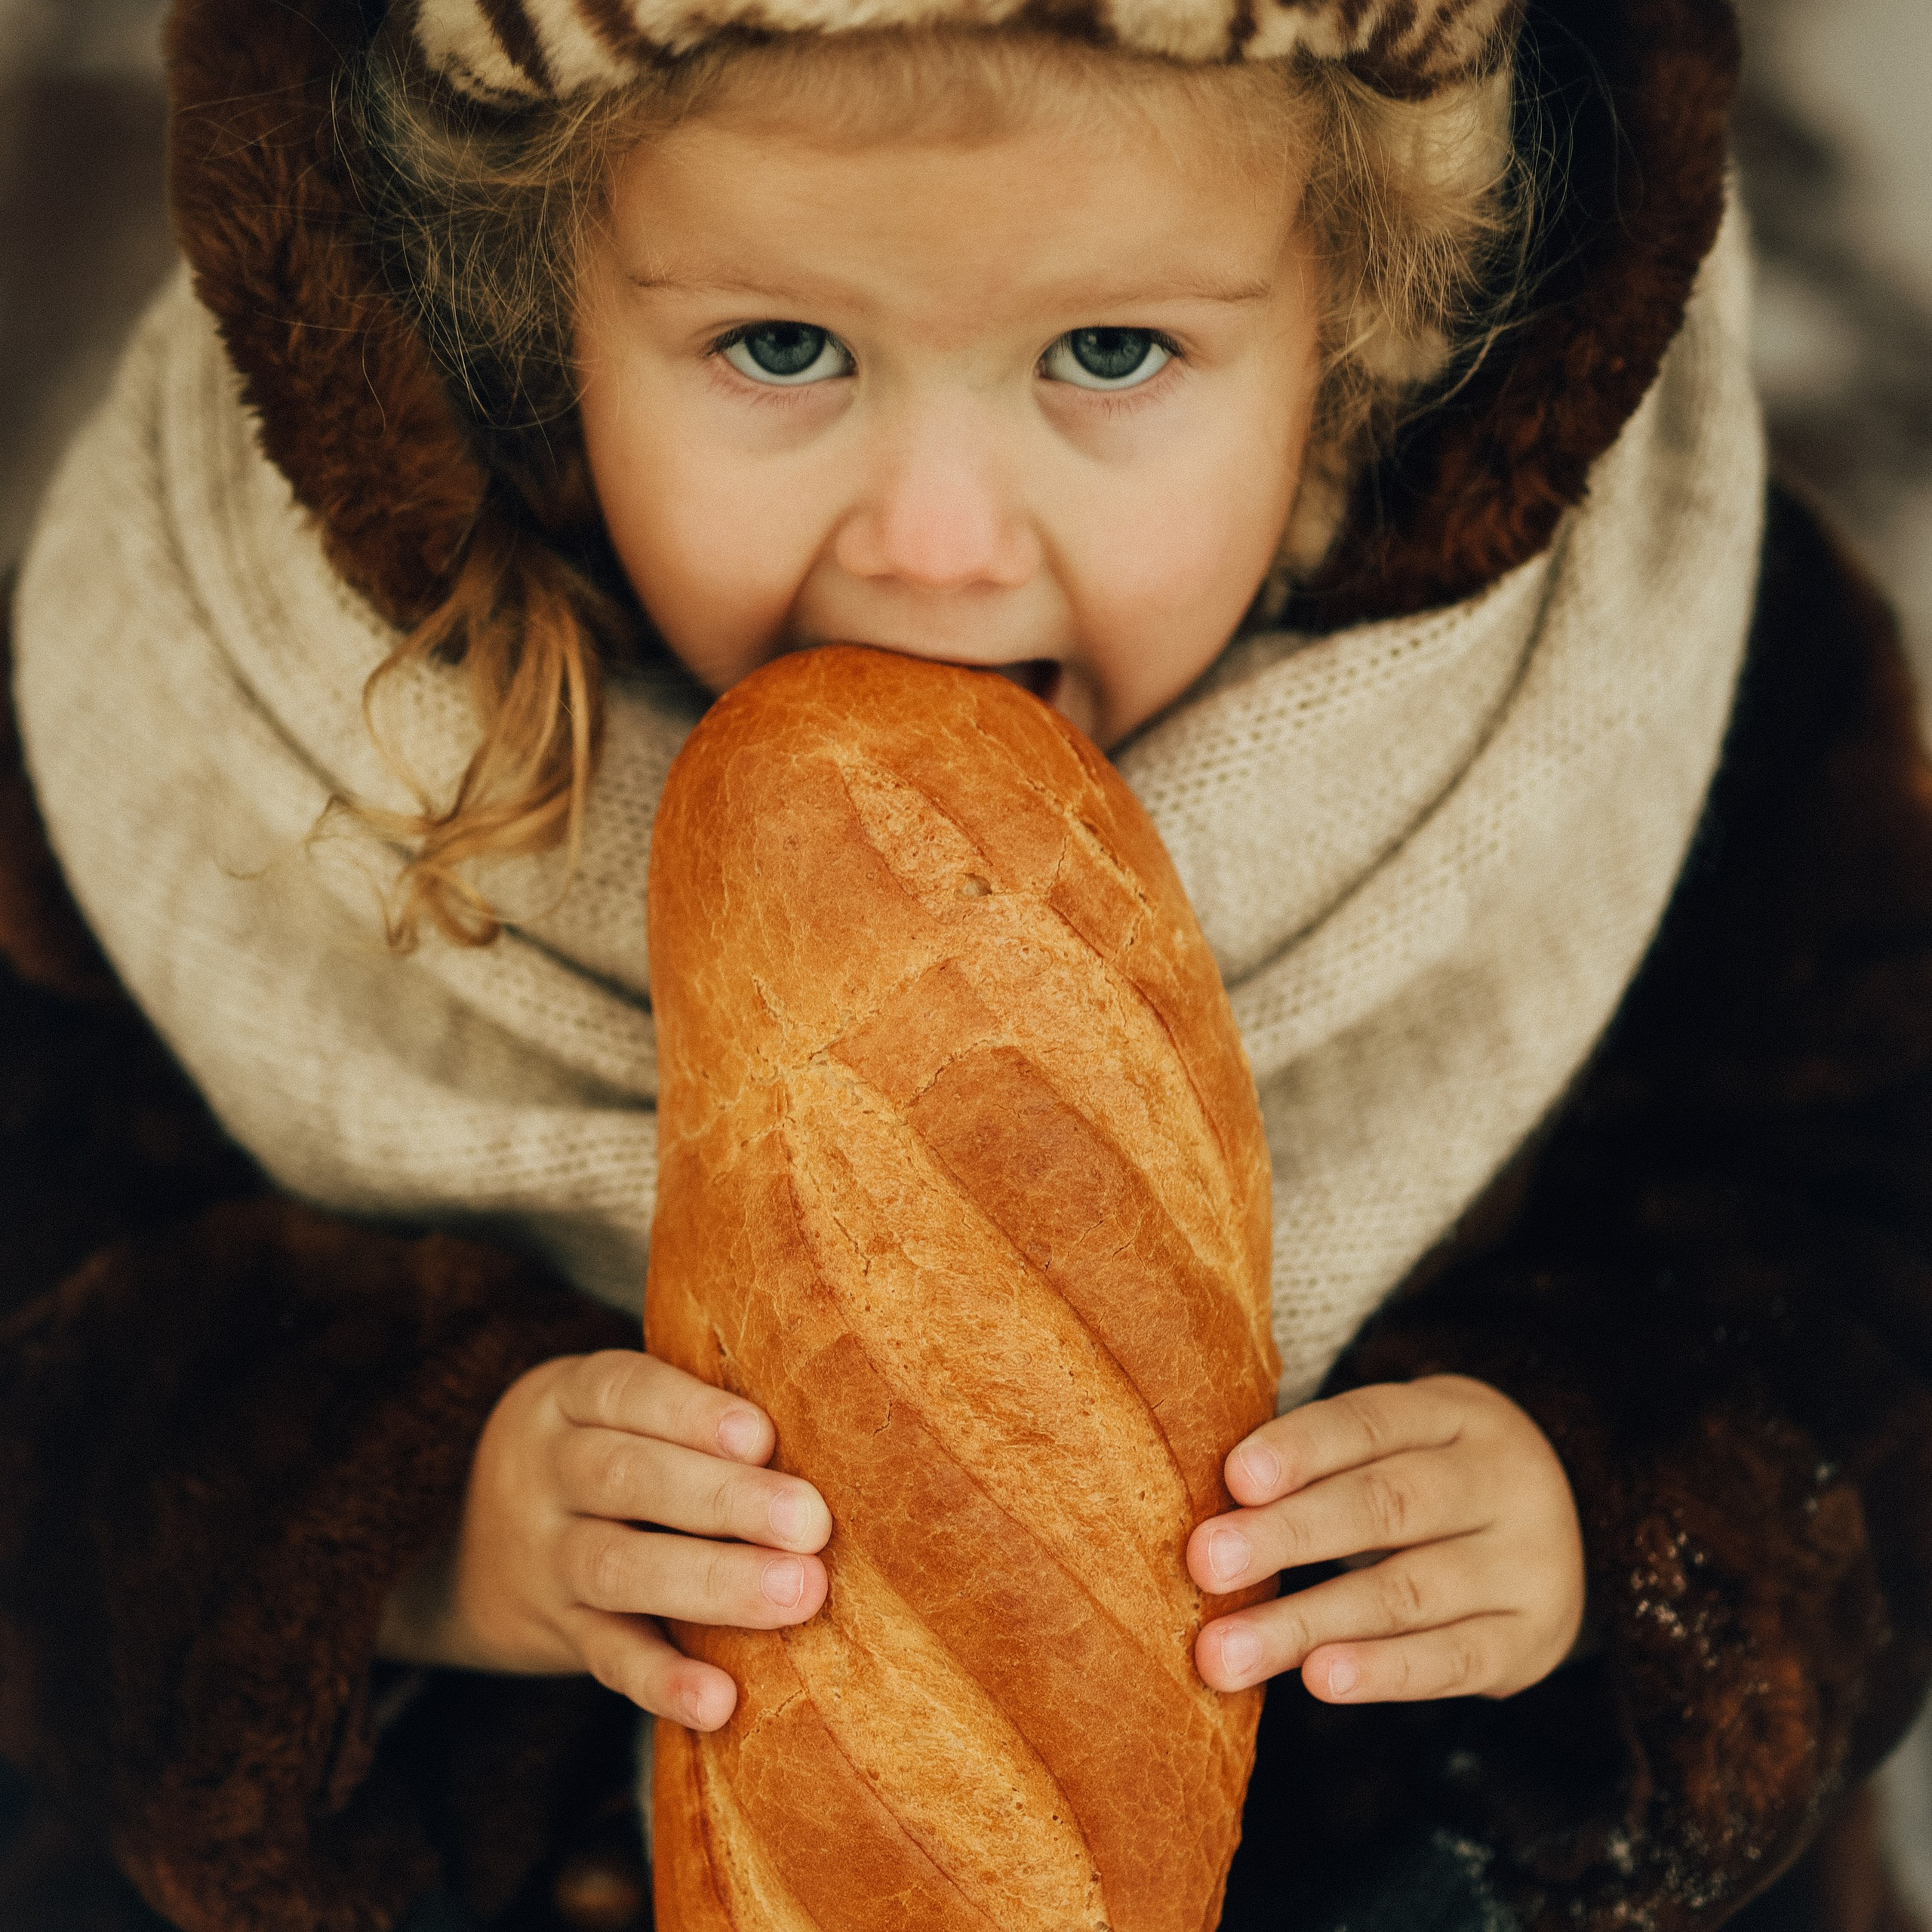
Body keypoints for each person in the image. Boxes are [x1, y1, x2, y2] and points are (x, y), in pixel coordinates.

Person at [1, 0, 1929, 1928]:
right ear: (535, 322)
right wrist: (401, 1529)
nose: (934, 544)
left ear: (1353, 327)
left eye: (1108, 352)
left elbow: (1863, 1232)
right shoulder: (197, 711)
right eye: (779, 347)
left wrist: (1614, 1517)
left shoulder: (1666, 702)